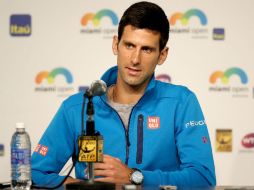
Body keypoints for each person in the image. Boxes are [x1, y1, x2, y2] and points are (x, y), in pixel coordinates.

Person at [31, 1, 216, 187]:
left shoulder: (181, 103)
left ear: (162, 55)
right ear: (115, 44)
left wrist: (135, 178)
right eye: (129, 45)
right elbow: (36, 173)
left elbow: (203, 178)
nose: (135, 59)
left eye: (147, 49)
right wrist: (78, 187)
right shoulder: (77, 108)